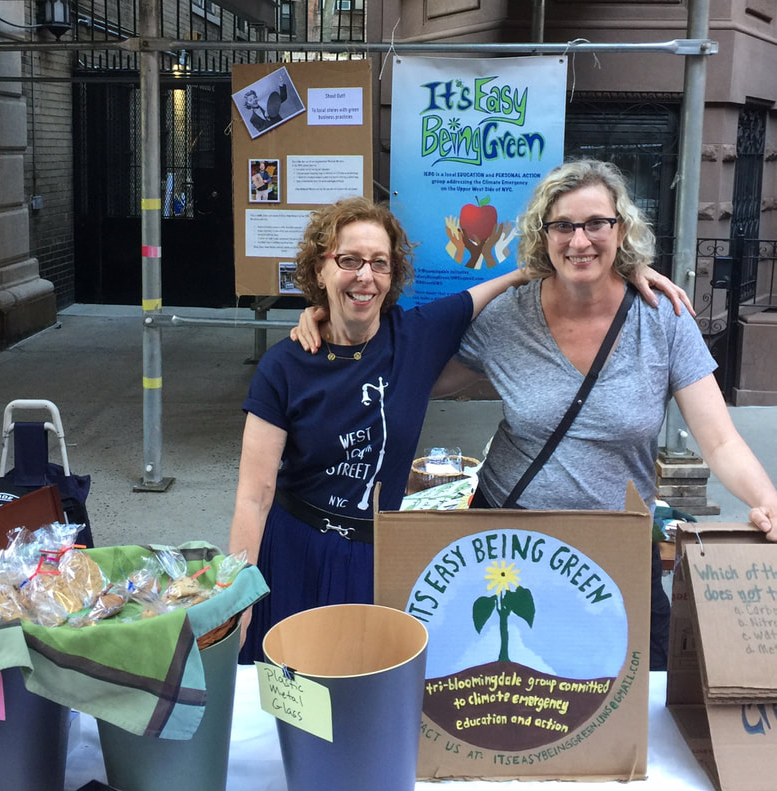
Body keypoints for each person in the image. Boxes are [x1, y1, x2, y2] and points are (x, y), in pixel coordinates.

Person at [232, 195, 689, 664]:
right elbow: (254, 495)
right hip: (294, 548)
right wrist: (237, 593)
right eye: (348, 260)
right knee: (282, 690)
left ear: (392, 276)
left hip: (372, 555)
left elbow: (521, 277)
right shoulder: (285, 365)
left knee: (356, 692)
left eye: (379, 263)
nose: (364, 276)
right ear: (320, 268)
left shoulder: (416, 336)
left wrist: (627, 272)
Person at [436, 159, 777, 669]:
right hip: (510, 543)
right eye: (563, 226)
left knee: (634, 692)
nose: (580, 241)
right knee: (508, 700)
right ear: (543, 235)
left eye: (597, 223)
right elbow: (421, 382)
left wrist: (767, 499)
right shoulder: (509, 317)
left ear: (622, 230)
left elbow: (720, 441)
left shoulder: (662, 318)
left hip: (617, 545)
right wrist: (338, 324)